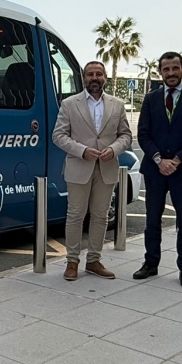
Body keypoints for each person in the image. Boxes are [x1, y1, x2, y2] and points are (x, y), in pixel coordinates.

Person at [52, 61, 133, 281]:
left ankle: (94, 260)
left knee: (100, 216)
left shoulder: (117, 105)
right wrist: (82, 150)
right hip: (79, 167)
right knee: (75, 216)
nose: (94, 78)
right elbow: (58, 135)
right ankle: (72, 261)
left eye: (98, 74)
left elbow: (126, 136)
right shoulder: (69, 104)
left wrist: (114, 149)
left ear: (105, 77)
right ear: (84, 78)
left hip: (107, 167)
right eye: (90, 74)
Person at [135, 51, 182, 287]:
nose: (171, 73)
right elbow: (143, 135)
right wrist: (159, 159)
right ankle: (151, 263)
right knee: (152, 219)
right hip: (155, 170)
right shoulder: (150, 99)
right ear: (161, 72)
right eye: (166, 69)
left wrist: (175, 161)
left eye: (174, 68)